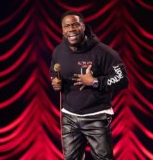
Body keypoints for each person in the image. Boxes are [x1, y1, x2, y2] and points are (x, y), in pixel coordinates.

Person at [49, 10, 128, 160]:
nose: (71, 29)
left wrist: (95, 81)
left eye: (75, 25)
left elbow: (122, 79)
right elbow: (54, 71)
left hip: (96, 116)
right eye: (67, 26)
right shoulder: (59, 51)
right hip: (69, 117)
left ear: (83, 27)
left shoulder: (103, 52)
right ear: (62, 29)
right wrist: (55, 81)